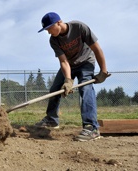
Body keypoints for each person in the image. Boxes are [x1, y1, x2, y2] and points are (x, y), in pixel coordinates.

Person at [35, 12, 110, 141]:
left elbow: (97, 49)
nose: (48, 32)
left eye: (49, 29)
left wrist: (103, 71)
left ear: (59, 22)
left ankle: (91, 127)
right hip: (70, 64)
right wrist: (68, 80)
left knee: (86, 88)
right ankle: (52, 120)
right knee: (55, 89)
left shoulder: (79, 28)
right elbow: (64, 62)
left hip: (86, 62)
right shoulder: (54, 40)